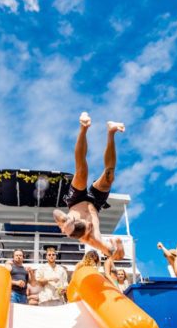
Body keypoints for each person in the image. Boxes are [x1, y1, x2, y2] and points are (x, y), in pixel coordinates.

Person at [53, 112, 125, 261]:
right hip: (96, 202)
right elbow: (115, 255)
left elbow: (56, 213)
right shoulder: (95, 239)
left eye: (86, 224)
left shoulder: (71, 226)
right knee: (109, 175)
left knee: (81, 171)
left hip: (75, 200)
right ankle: (111, 131)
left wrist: (64, 221)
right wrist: (118, 247)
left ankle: (83, 128)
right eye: (87, 225)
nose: (89, 224)